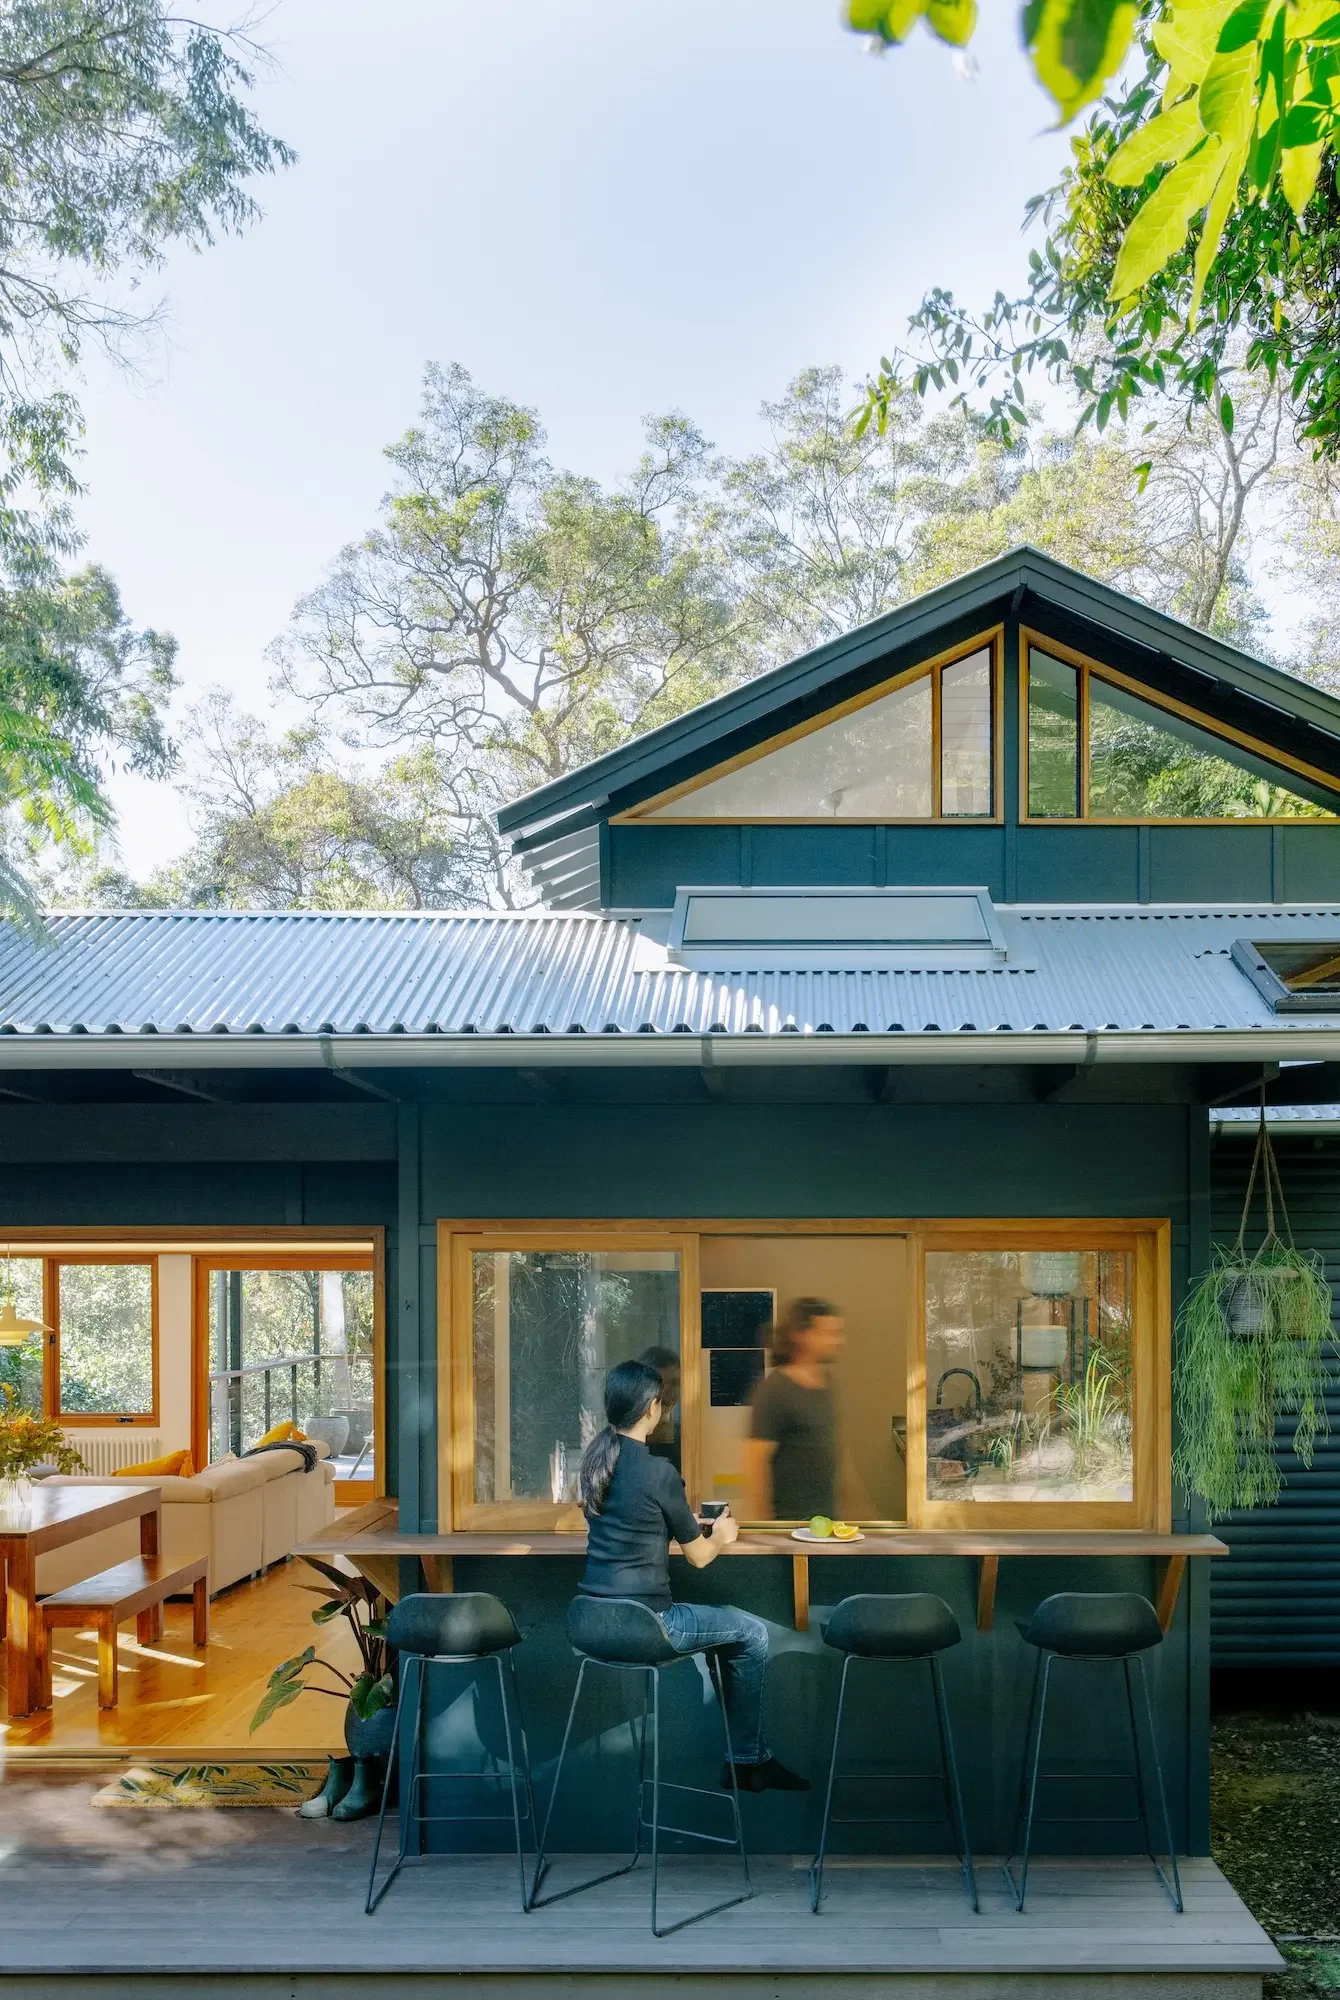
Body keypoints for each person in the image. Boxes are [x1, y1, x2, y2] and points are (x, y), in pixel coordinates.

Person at [577, 1358, 808, 1794]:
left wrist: (675, 1520)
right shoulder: (659, 1471)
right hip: (647, 1624)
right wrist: (720, 1534)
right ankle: (747, 1760)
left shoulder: (594, 1465)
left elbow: (630, 1520)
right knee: (751, 1634)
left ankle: (748, 1760)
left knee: (725, 1638)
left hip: (589, 1620)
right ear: (652, 1408)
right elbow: (700, 1557)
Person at [744, 1297, 845, 1522]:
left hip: (826, 1523)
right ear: (801, 1335)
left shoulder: (826, 1384)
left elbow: (831, 1451)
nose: (837, 1341)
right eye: (827, 1333)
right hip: (791, 1527)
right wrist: (766, 1531)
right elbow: (754, 1465)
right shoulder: (775, 1390)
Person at [638, 1343, 681, 1467]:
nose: (669, 1392)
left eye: (675, 1383)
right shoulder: (626, 1439)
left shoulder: (685, 1437)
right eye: (660, 1384)